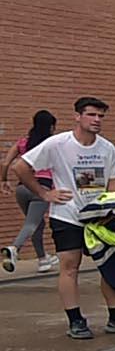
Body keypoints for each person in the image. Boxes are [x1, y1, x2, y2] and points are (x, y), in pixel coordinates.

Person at [8, 97, 115, 339]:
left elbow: (113, 180)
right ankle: (76, 321)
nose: (96, 120)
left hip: (100, 218)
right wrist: (44, 193)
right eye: (91, 115)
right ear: (77, 116)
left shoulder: (107, 148)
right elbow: (20, 166)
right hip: (67, 216)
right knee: (70, 267)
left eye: (101, 116)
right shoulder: (57, 144)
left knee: (109, 267)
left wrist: (112, 207)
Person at [3, 110, 59, 273]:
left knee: (38, 223)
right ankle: (14, 248)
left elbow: (6, 163)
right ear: (51, 127)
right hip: (41, 187)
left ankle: (43, 260)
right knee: (32, 223)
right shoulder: (52, 144)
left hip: (22, 187)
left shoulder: (23, 142)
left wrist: (4, 180)